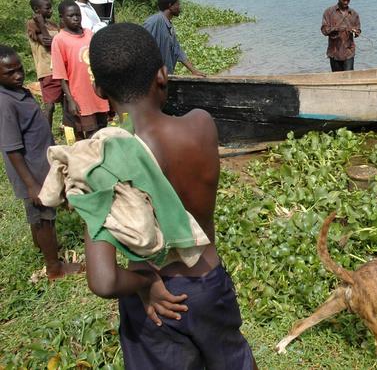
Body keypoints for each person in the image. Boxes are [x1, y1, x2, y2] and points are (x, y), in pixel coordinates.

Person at [86, 23, 256, 369]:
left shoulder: (100, 161)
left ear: (99, 90)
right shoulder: (201, 125)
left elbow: (103, 280)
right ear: (162, 74)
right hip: (209, 284)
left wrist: (146, 282)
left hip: (155, 300)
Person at [0, 45, 82, 280]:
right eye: (9, 72)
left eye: (19, 69)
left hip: (39, 165)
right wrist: (32, 185)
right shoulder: (5, 103)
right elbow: (12, 148)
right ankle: (54, 268)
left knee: (40, 217)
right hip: (31, 172)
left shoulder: (18, 92)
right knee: (44, 217)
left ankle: (42, 247)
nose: (17, 75)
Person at [51, 0, 110, 140]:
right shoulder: (60, 40)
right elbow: (61, 74)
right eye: (71, 16)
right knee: (88, 134)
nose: (76, 18)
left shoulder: (89, 34)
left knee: (102, 132)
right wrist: (70, 99)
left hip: (97, 93)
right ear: (62, 18)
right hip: (80, 95)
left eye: (78, 15)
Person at [143, 0, 205, 77]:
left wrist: (194, 71)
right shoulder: (153, 22)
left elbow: (178, 50)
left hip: (164, 76)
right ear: (170, 5)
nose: (179, 7)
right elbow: (141, 47)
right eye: (177, 4)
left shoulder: (168, 25)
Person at [26, 0, 61, 128]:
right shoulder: (32, 24)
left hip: (60, 67)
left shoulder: (53, 24)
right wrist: (41, 23)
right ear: (37, 9)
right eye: (47, 8)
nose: (51, 10)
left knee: (67, 103)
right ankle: (46, 134)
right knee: (50, 105)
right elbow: (47, 42)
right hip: (47, 70)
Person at [321, 0, 361, 72]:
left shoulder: (354, 14)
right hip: (334, 53)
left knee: (349, 78)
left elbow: (358, 30)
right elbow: (324, 30)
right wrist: (335, 29)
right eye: (343, 0)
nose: (346, 2)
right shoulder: (329, 12)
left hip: (348, 52)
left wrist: (356, 32)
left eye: (348, 0)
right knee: (337, 79)